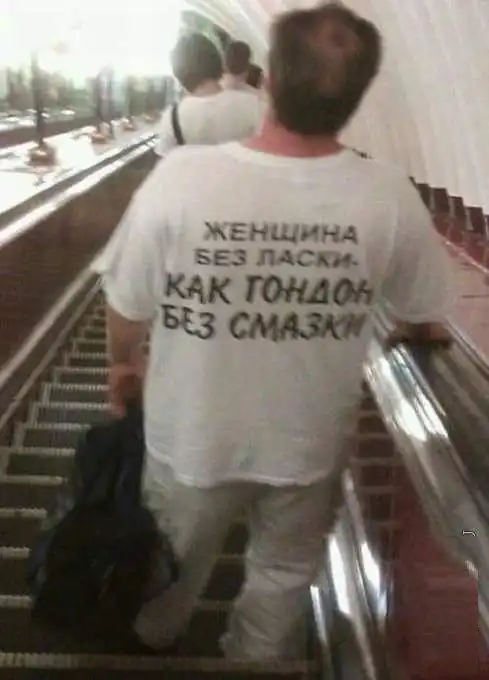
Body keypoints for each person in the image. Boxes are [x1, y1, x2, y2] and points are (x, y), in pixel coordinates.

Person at [102, 1, 455, 664]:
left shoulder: (183, 178)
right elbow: (423, 311)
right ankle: (255, 662)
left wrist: (124, 365)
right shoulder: (387, 194)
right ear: (357, 97)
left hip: (193, 438)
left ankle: (153, 639)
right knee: (283, 574)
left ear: (268, 81)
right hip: (307, 444)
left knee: (170, 559)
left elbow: (126, 303)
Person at [155, 33, 263, 157]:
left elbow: (166, 161)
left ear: (178, 72)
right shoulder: (253, 105)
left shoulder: (172, 117)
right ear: (217, 61)